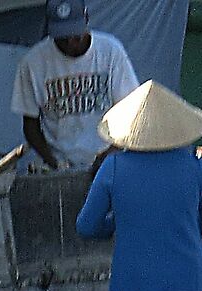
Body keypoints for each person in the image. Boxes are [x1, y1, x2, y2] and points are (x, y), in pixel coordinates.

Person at [75, 81, 202, 291]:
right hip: (191, 290)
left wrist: (118, 223)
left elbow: (86, 226)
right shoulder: (197, 169)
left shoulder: (112, 167)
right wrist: (184, 224)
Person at [12, 0, 138, 172]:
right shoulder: (32, 63)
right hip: (61, 161)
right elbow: (30, 125)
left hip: (109, 159)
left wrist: (112, 152)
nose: (71, 42)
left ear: (86, 19)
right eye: (63, 37)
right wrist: (54, 162)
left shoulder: (111, 52)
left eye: (75, 34)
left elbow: (132, 112)